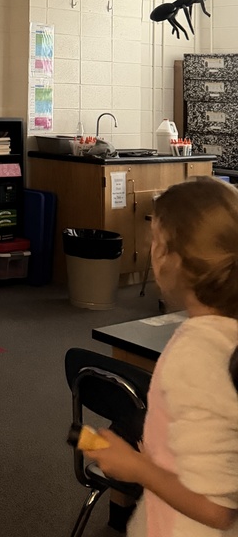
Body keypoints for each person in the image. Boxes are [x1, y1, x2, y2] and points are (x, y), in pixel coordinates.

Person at [85, 176, 238, 537]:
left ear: (172, 259)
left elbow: (216, 509)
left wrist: (136, 467)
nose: (149, 247)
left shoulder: (196, 355)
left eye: (155, 240)